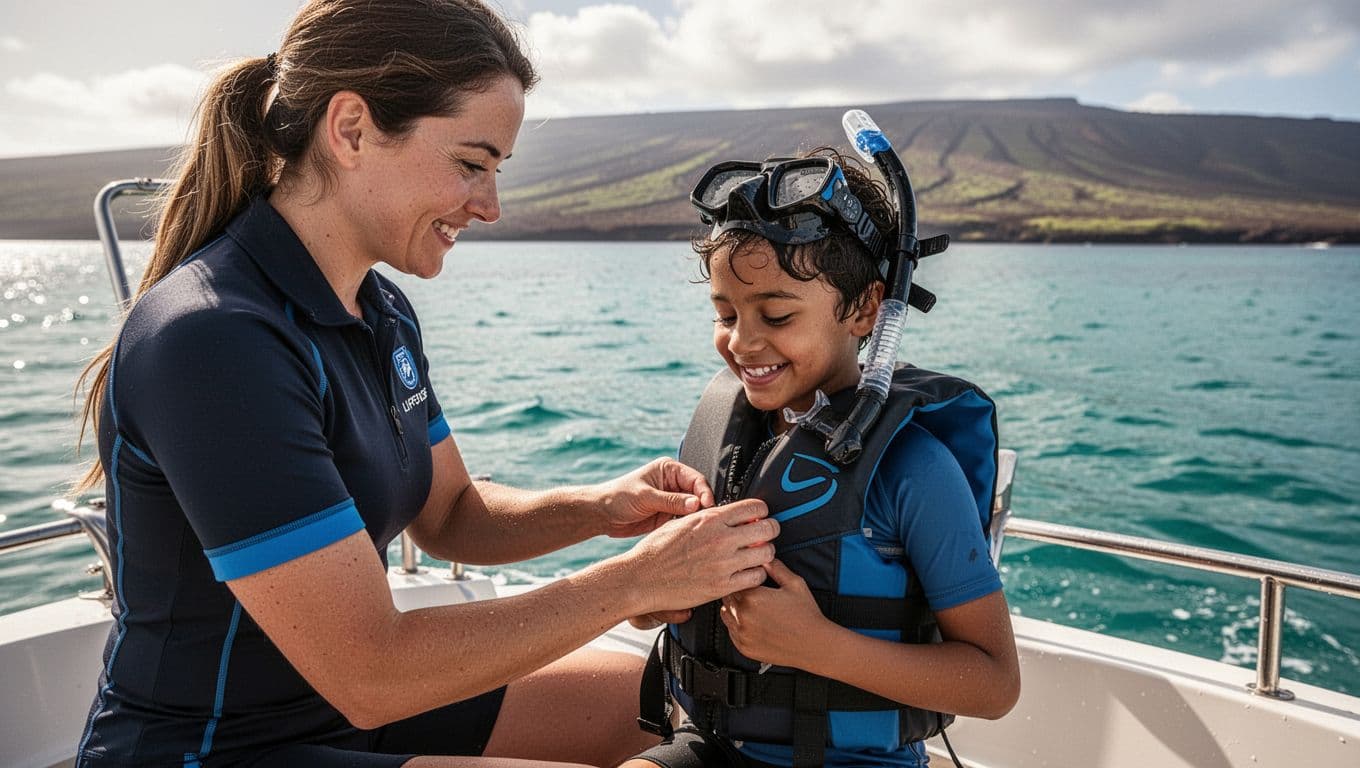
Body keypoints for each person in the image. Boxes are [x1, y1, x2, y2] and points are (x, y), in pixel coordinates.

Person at [71, 2, 778, 766]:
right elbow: (371, 670)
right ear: (350, 131)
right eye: (471, 164)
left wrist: (603, 508)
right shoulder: (214, 339)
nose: (491, 206)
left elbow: (450, 515)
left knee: (683, 704)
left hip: (347, 714)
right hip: (212, 748)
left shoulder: (379, 311)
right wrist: (637, 582)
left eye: (497, 171)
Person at [623, 145, 1021, 768]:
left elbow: (996, 683)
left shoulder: (914, 469)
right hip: (709, 748)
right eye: (725, 313)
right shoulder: (727, 438)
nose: (742, 342)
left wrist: (818, 646)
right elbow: (663, 611)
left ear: (865, 308)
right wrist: (650, 597)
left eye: (776, 315)